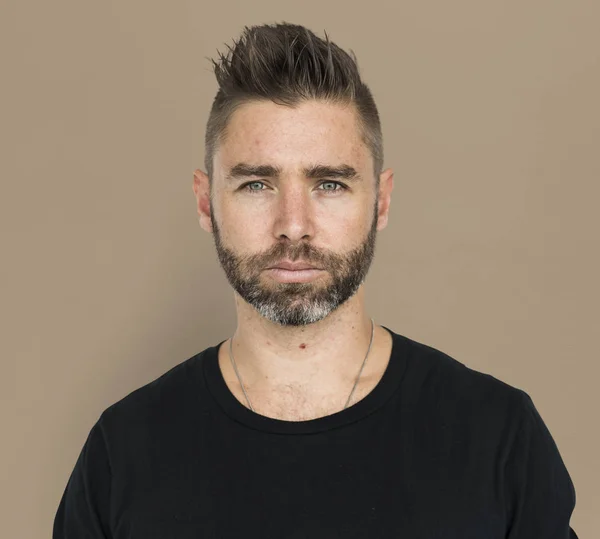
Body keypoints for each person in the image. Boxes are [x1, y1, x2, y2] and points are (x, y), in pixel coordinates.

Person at [53, 22, 578, 538]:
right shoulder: (123, 452)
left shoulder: (497, 436)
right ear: (204, 200)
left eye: (329, 183)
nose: (293, 226)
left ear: (382, 199)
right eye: (257, 183)